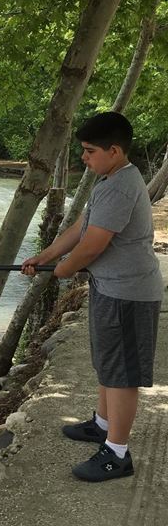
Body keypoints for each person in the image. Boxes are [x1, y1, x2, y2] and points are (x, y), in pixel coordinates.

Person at [22, 111, 163, 482]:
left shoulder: (121, 186)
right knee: (107, 363)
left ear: (113, 151)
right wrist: (46, 256)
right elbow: (81, 227)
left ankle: (117, 453)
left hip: (129, 295)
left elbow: (93, 246)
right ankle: (102, 425)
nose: (83, 157)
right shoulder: (109, 180)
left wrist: (63, 271)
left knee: (122, 375)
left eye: (88, 150)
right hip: (110, 288)